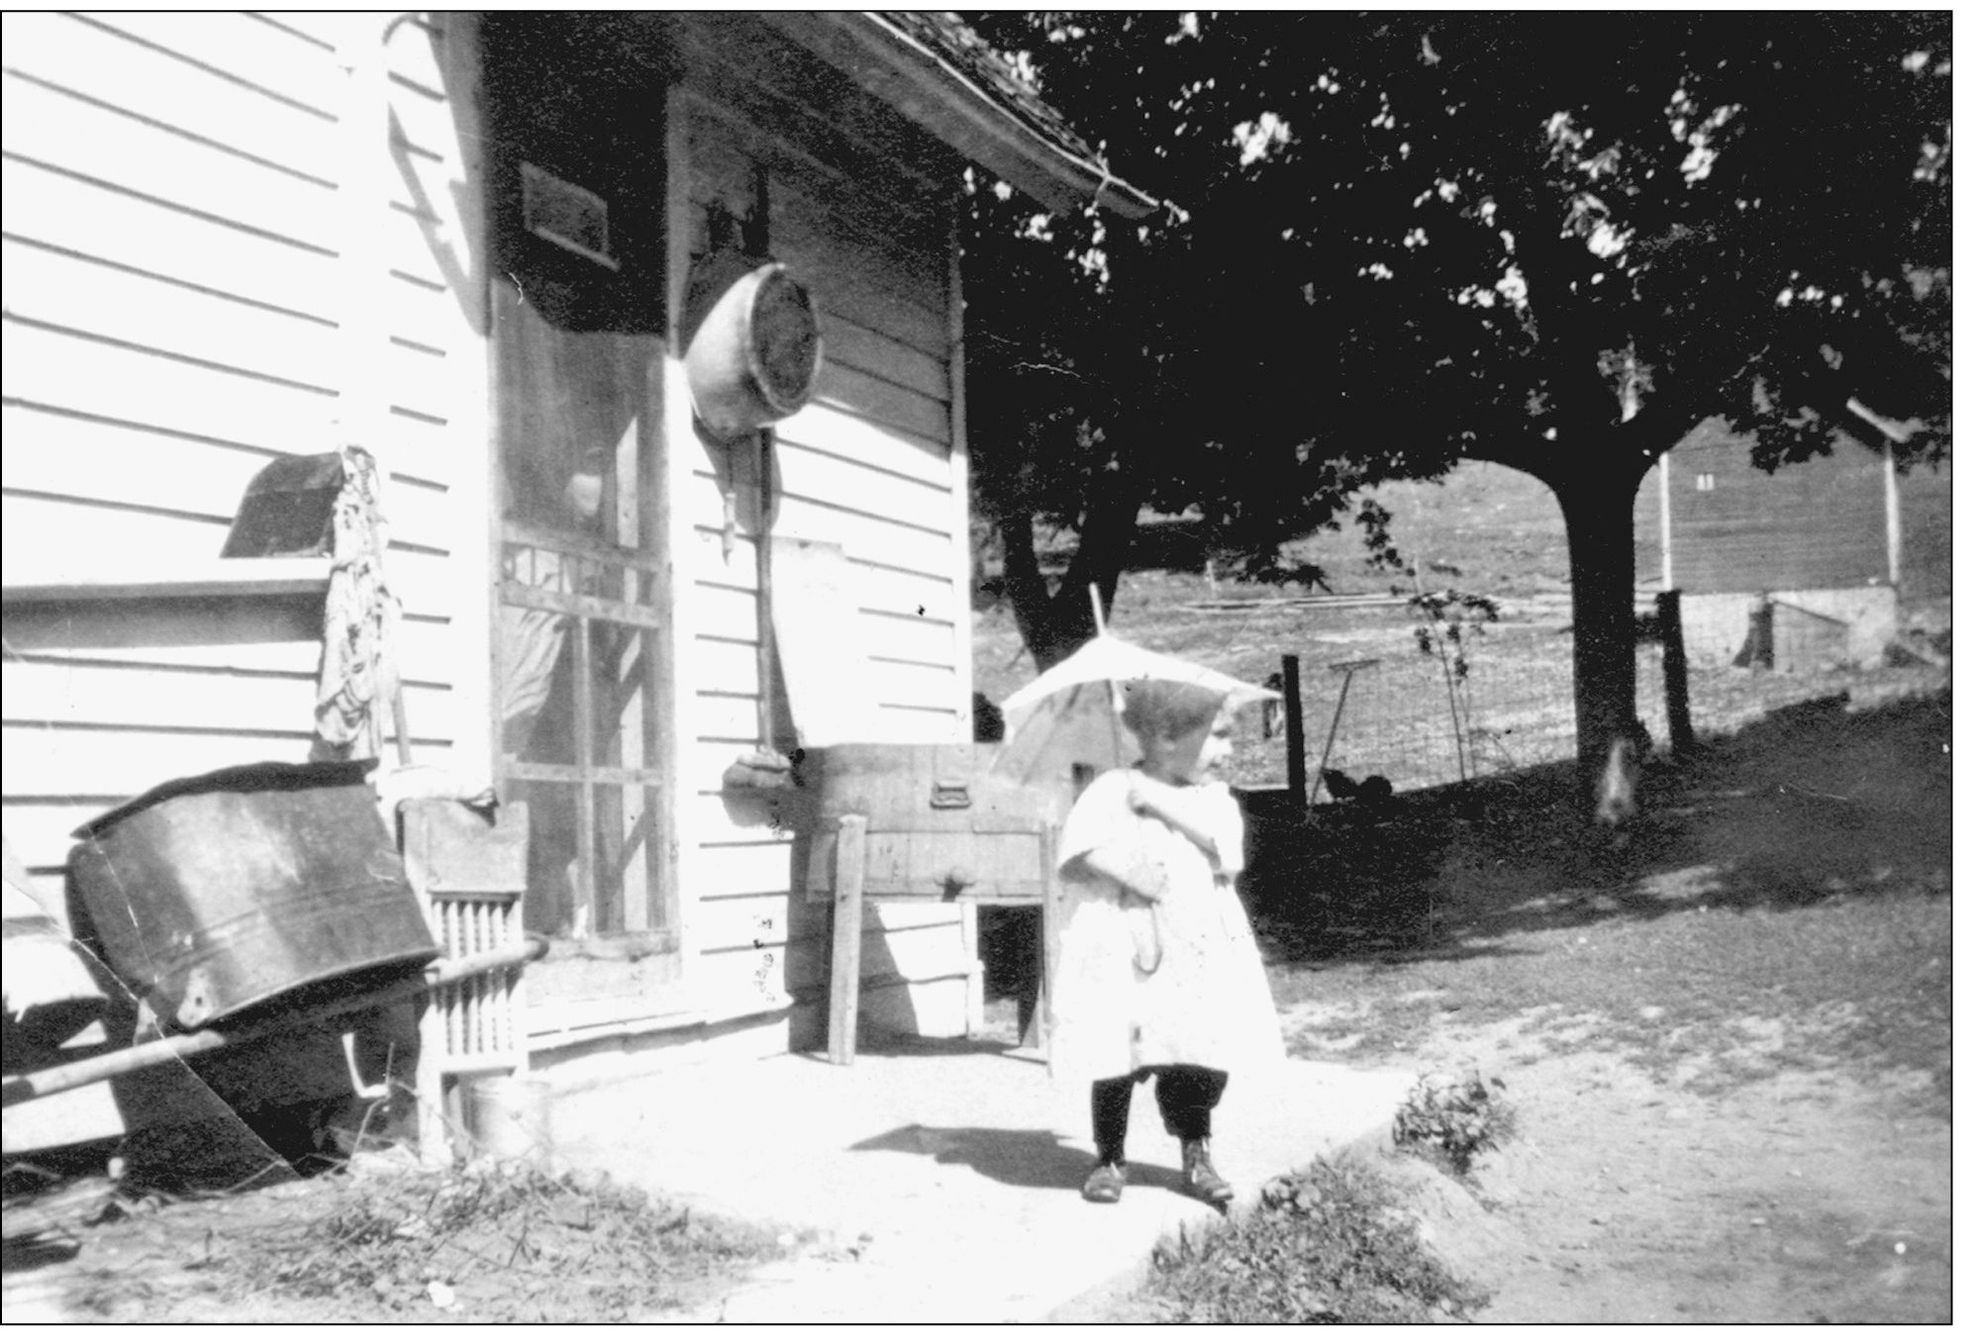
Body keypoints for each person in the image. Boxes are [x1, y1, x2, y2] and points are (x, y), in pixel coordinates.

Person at [1049, 678, 1285, 1205]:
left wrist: (1156, 803)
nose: (1228, 751)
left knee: (1195, 1048)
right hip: (1124, 942)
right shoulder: (1112, 789)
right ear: (1165, 737)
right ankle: (1108, 1155)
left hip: (1196, 944)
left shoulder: (1212, 798)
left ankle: (1196, 1152)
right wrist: (1126, 869)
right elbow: (1075, 853)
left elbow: (1230, 852)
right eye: (1218, 736)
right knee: (1117, 1048)